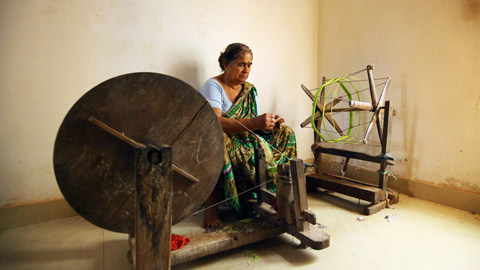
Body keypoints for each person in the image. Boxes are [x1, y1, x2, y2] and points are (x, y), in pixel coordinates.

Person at [199, 43, 297, 228]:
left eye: (249, 65)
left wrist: (269, 125)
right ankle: (212, 207)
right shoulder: (214, 86)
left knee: (286, 133)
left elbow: (252, 124)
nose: (246, 70)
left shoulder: (249, 90)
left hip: (245, 135)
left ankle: (279, 194)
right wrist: (254, 123)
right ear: (226, 64)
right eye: (241, 64)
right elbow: (215, 122)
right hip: (220, 137)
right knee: (225, 144)